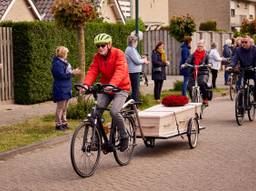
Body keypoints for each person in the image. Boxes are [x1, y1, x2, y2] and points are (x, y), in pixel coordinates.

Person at [83, 33, 131, 152]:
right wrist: (86, 85)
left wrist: (113, 84)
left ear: (109, 45)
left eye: (103, 45)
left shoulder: (118, 53)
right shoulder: (97, 57)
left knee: (114, 112)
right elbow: (93, 70)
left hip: (121, 88)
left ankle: (124, 136)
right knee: (96, 112)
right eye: (98, 46)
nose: (100, 48)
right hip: (106, 88)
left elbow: (120, 70)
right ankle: (96, 140)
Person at [51, 46, 81, 131]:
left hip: (66, 86)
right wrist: (73, 73)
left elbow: (66, 73)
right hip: (60, 87)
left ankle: (64, 123)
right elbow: (60, 75)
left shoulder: (64, 62)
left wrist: (72, 71)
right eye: (66, 53)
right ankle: (58, 124)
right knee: (60, 106)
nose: (67, 54)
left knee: (65, 107)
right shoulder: (57, 63)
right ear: (63, 53)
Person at [182, 40, 210, 106]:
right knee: (189, 87)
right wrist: (185, 64)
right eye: (198, 46)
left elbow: (209, 62)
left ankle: (205, 99)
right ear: (196, 47)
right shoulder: (193, 54)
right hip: (193, 72)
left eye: (201, 46)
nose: (199, 47)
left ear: (203, 47)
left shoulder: (206, 55)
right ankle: (193, 99)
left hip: (203, 72)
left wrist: (209, 64)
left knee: (202, 83)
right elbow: (188, 60)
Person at [125, 35, 149, 101]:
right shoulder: (131, 49)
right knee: (135, 89)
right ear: (134, 41)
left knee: (135, 89)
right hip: (133, 72)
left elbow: (137, 58)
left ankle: (133, 105)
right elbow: (137, 61)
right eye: (136, 41)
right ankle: (134, 106)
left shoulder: (132, 49)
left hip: (134, 71)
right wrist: (144, 60)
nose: (137, 43)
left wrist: (142, 58)